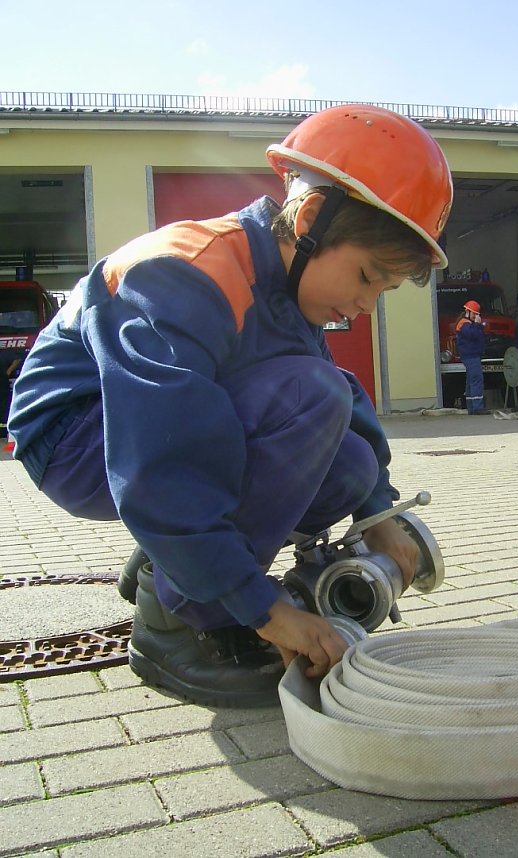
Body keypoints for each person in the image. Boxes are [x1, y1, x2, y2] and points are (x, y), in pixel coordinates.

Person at [7, 105, 454, 708]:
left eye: (383, 290)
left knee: (350, 464)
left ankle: (176, 560)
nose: (366, 305)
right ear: (312, 219)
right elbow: (159, 457)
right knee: (307, 399)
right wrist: (262, 610)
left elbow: (342, 393)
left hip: (152, 435)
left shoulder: (286, 290)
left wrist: (378, 512)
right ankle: (178, 624)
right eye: (368, 276)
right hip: (76, 437)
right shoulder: (185, 273)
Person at [455, 300, 489, 415]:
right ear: (468, 312)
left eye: (477, 314)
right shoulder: (465, 324)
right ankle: (478, 407)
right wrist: (478, 324)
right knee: (477, 380)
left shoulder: (467, 323)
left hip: (472, 355)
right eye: (475, 314)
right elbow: (474, 335)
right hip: (471, 356)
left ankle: (471, 407)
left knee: (471, 381)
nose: (476, 316)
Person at [0, 349, 22, 439]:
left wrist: (8, 371)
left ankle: (3, 431)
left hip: (1, 382)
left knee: (3, 406)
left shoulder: (4, 353)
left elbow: (18, 359)